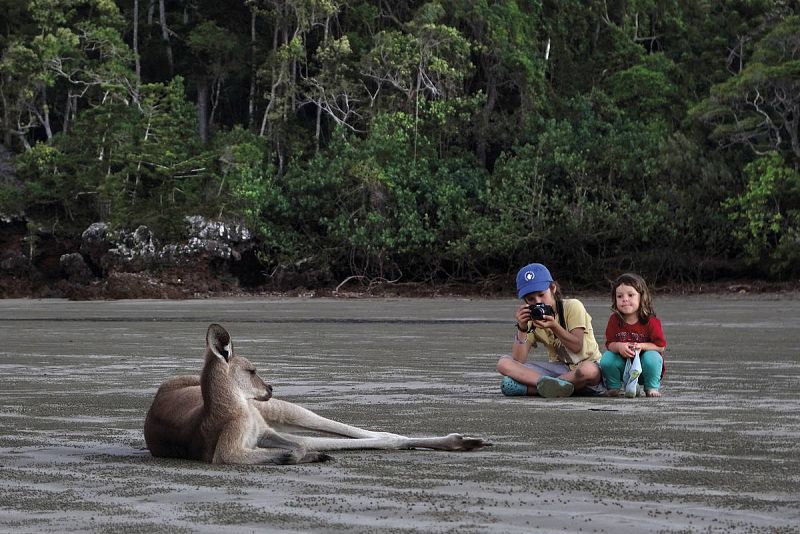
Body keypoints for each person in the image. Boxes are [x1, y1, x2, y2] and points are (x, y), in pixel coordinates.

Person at [497, 263, 605, 397]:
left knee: (588, 371)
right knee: (504, 363)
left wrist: (554, 326)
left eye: (541, 295)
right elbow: (519, 360)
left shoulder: (572, 306)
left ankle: (539, 388)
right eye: (531, 299)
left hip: (585, 367)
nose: (537, 302)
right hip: (560, 370)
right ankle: (549, 384)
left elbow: (577, 346)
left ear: (552, 288)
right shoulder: (531, 318)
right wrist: (522, 327)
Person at [600, 273, 666, 397]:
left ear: (641, 297)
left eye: (630, 295)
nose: (625, 299)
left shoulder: (650, 321)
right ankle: (613, 387)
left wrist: (642, 346)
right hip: (624, 367)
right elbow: (610, 344)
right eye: (620, 296)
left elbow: (660, 346)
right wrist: (619, 346)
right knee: (607, 358)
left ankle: (651, 387)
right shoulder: (614, 320)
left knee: (653, 357)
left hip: (645, 369)